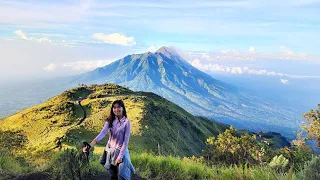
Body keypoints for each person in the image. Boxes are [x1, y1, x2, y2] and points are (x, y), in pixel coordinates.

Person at [83, 100, 134, 180]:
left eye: (118, 107)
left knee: (122, 175)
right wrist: (90, 145)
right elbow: (102, 133)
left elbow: (126, 141)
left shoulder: (127, 122)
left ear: (123, 108)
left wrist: (120, 157)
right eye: (114, 108)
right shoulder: (110, 120)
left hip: (120, 151)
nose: (116, 110)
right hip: (109, 150)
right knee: (111, 172)